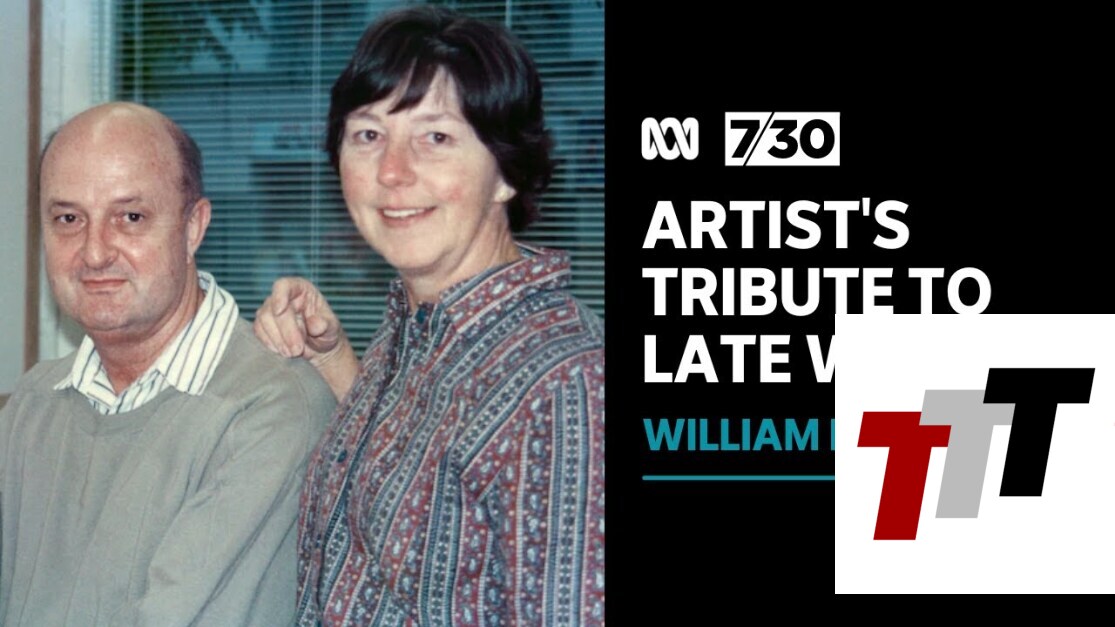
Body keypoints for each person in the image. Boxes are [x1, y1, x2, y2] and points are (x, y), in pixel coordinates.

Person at [253, 6, 605, 625]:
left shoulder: (563, 385)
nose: (392, 171)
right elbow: (425, 488)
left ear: (506, 172)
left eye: (435, 138)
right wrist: (334, 359)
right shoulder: (419, 324)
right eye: (368, 135)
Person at [0, 102, 335, 625]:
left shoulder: (270, 410)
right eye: (68, 219)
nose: (94, 252)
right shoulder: (33, 403)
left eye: (130, 218)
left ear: (193, 227)